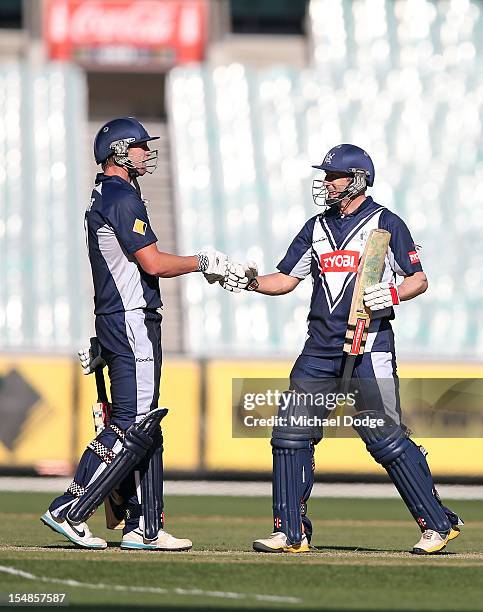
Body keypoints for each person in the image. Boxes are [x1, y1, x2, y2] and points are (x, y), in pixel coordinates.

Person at [222, 144, 463, 555]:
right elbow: (285, 278)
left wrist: (391, 295)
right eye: (327, 176)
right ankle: (291, 532)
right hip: (320, 347)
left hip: (368, 345)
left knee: (383, 436)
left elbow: (418, 279)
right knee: (290, 434)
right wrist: (245, 280)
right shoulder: (315, 227)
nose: (327, 183)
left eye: (334, 176)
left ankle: (438, 524)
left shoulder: (386, 222)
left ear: (358, 179)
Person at [41, 116, 239, 551]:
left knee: (147, 425)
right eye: (140, 148)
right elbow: (153, 264)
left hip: (120, 319)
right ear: (118, 152)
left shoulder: (110, 194)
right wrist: (202, 261)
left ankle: (144, 526)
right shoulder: (120, 196)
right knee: (134, 424)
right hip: (131, 320)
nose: (147, 154)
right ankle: (69, 509)